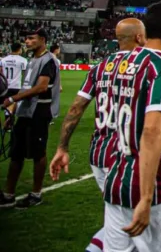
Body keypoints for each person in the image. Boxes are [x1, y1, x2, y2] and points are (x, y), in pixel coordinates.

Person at [49, 18, 147, 252]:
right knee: (133, 223)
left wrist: (62, 147)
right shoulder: (145, 66)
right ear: (139, 37)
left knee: (121, 218)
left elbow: (76, 108)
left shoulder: (101, 67)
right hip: (125, 158)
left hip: (98, 156)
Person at [102, 0, 161, 252]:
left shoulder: (120, 63)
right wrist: (146, 196)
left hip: (117, 179)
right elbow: (152, 130)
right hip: (157, 186)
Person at [0, 28, 60, 208]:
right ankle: (8, 194)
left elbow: (42, 87)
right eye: (26, 38)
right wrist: (13, 112)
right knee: (16, 153)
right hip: (25, 111)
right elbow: (25, 87)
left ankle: (36, 193)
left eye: (31, 38)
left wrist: (13, 99)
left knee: (38, 153)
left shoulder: (49, 60)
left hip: (40, 111)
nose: (27, 41)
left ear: (42, 39)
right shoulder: (32, 60)